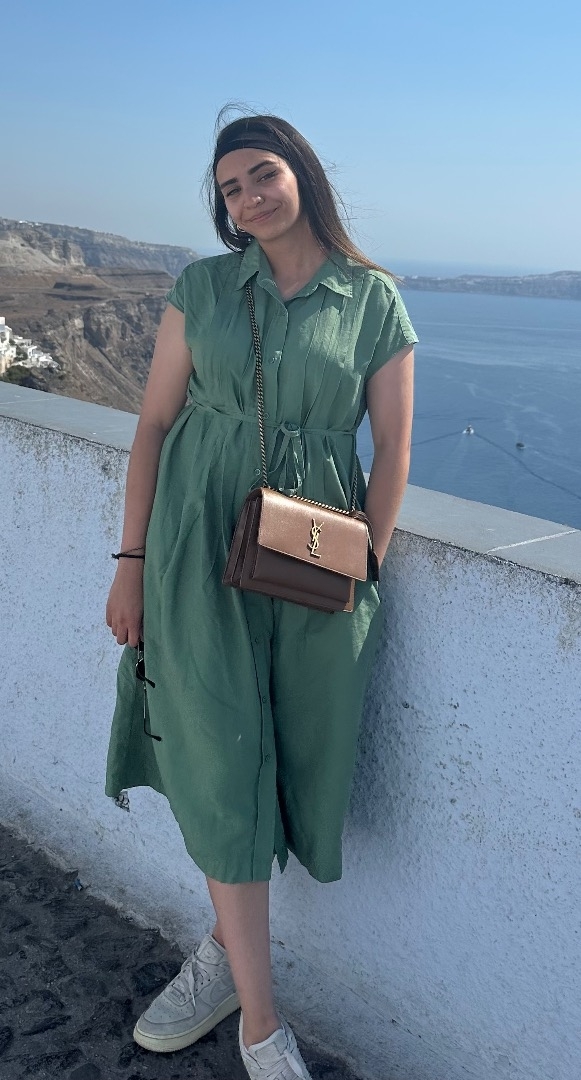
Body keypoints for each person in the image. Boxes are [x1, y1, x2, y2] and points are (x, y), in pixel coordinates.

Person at [105, 111, 417, 1080]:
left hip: (309, 564)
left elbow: (391, 452)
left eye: (261, 175)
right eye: (229, 189)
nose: (246, 199)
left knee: (283, 755)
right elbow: (154, 425)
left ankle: (221, 957)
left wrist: (361, 568)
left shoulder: (372, 300)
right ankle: (260, 1026)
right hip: (194, 548)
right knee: (214, 752)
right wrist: (130, 560)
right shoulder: (202, 288)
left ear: (301, 173)